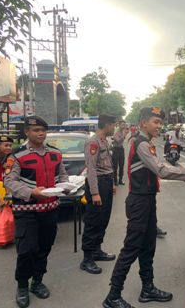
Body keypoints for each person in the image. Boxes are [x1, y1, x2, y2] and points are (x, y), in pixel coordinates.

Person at [102, 107, 185, 308]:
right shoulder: (141, 143)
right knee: (131, 248)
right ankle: (113, 296)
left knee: (148, 245)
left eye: (160, 123)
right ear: (143, 123)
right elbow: (161, 170)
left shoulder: (146, 142)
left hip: (147, 200)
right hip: (139, 202)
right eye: (156, 122)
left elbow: (161, 166)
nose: (159, 126)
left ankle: (147, 288)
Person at [4, 116, 69, 308]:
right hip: (26, 211)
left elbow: (62, 175)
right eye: (36, 130)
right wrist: (31, 192)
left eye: (43, 130)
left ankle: (37, 282)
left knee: (44, 248)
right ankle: (22, 285)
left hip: (50, 209)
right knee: (26, 249)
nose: (40, 133)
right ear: (27, 132)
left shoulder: (55, 154)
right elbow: (9, 181)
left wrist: (66, 186)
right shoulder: (16, 155)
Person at [80, 114, 117, 275]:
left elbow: (108, 164)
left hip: (106, 182)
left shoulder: (104, 141)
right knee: (93, 220)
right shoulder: (93, 142)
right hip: (98, 184)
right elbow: (92, 169)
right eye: (113, 125)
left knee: (103, 219)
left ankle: (97, 250)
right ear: (107, 125)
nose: (114, 128)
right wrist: (95, 193)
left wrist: (113, 183)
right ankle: (87, 258)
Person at [112, 120, 128, 186]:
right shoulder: (116, 132)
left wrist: (124, 134)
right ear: (119, 125)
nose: (124, 126)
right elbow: (118, 141)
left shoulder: (123, 131)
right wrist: (124, 135)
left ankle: (120, 180)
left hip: (121, 149)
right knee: (115, 166)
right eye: (122, 125)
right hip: (116, 150)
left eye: (124, 125)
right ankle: (115, 181)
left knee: (121, 165)